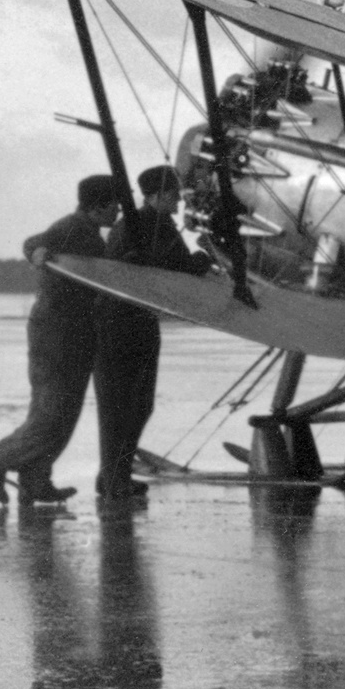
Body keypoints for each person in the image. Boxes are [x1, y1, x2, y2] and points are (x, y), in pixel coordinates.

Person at [0, 176, 119, 506]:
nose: (119, 211)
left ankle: (36, 480)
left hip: (74, 332)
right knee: (51, 413)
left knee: (63, 414)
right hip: (56, 333)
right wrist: (35, 253)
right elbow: (32, 242)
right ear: (98, 206)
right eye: (116, 204)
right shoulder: (72, 227)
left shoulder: (89, 233)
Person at [94, 165, 212, 500]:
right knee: (120, 406)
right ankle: (114, 479)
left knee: (139, 405)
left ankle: (116, 474)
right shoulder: (138, 225)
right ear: (156, 196)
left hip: (139, 320)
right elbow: (169, 265)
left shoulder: (153, 224)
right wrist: (200, 260)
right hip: (119, 323)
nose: (179, 202)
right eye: (174, 195)